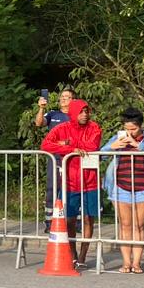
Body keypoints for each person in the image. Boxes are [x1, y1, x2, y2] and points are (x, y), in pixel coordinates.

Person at [41, 98, 102, 268]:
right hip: (69, 181)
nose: (85, 114)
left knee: (89, 218)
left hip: (90, 180)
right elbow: (45, 145)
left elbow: (92, 146)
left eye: (87, 111)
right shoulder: (62, 128)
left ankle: (83, 256)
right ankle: (73, 254)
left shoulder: (94, 127)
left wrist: (66, 143)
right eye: (81, 111)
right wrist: (69, 148)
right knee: (69, 220)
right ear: (74, 112)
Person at [101, 109, 144, 274]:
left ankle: (137, 263)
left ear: (141, 126)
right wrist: (112, 147)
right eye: (127, 129)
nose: (130, 133)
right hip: (121, 185)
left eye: (133, 129)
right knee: (125, 225)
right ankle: (126, 262)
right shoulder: (117, 138)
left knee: (139, 225)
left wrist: (138, 145)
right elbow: (101, 155)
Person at [36, 88, 74, 224]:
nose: (63, 99)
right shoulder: (52, 114)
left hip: (72, 158)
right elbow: (39, 123)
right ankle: (50, 221)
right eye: (62, 96)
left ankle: (74, 221)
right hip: (54, 157)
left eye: (67, 97)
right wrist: (41, 108)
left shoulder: (77, 116)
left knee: (72, 188)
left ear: (73, 100)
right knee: (52, 188)